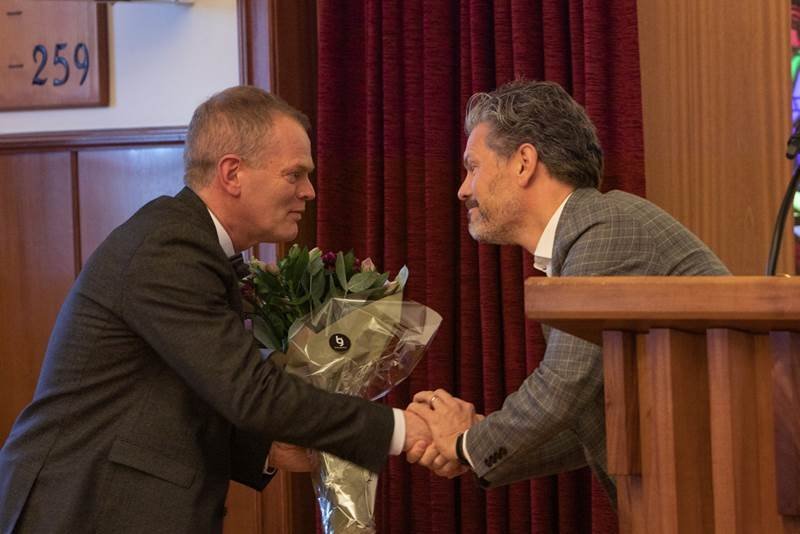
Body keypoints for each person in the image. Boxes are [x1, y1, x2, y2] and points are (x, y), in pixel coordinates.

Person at [0, 86, 430, 533]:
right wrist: (401, 429)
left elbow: (178, 394)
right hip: (81, 509)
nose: (309, 191)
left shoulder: (190, 242)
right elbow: (250, 393)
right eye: (294, 174)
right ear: (232, 173)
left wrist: (268, 449)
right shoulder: (170, 248)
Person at [406, 80, 730, 504]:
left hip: (733, 486)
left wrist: (466, 444)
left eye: (473, 167)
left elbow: (565, 385)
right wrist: (473, 443)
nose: (463, 189)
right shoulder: (586, 238)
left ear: (524, 163)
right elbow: (588, 422)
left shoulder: (606, 228)